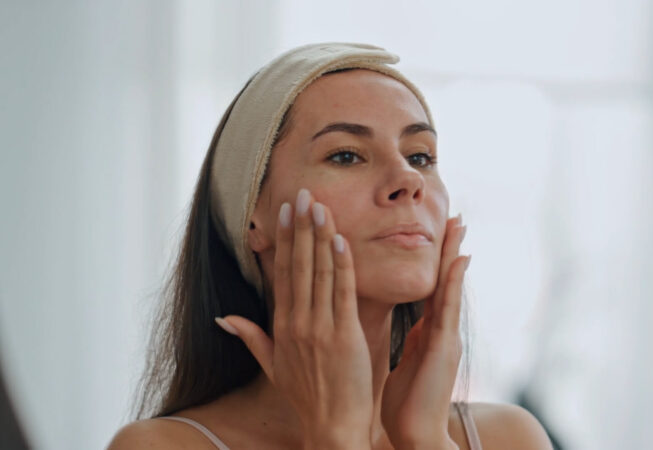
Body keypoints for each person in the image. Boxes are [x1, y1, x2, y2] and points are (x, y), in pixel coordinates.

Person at [109, 42, 552, 449]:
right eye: (345, 155)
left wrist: (426, 440)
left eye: (420, 156)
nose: (409, 180)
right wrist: (336, 438)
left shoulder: (510, 438)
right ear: (252, 217)